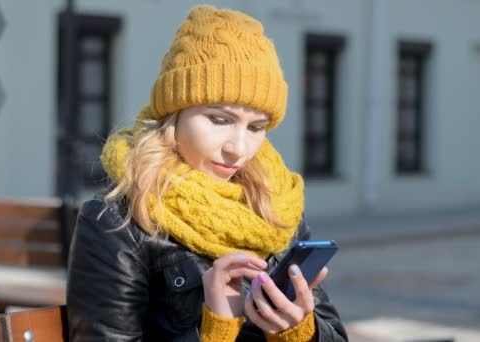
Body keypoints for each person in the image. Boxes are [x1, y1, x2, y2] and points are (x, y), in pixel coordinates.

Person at [67, 4, 348, 341]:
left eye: (256, 126)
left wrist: (298, 331)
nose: (238, 148)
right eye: (220, 119)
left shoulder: (276, 205)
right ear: (175, 113)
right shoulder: (116, 223)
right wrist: (216, 329)